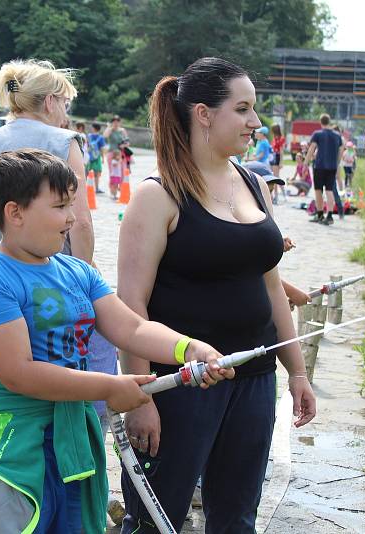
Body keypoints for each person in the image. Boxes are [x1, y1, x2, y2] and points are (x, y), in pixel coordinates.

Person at [0, 149, 230, 533]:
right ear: (15, 213)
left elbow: (131, 329)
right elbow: (20, 375)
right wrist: (108, 387)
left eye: (73, 204)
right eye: (60, 206)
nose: (72, 217)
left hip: (72, 437)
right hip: (12, 443)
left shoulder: (78, 272)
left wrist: (189, 347)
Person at [117, 57, 316, 533]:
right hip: (179, 385)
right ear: (204, 114)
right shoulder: (157, 195)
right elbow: (130, 307)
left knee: (236, 518)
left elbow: (269, 285)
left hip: (254, 378)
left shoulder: (252, 183)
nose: (256, 122)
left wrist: (298, 372)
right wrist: (139, 397)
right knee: (155, 519)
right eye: (243, 109)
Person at [0, 59, 94, 264]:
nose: (65, 112)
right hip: (47, 264)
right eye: (65, 103)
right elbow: (80, 221)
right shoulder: (64, 142)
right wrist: (85, 275)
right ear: (49, 102)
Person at [306, 114, 344, 225]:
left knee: (318, 190)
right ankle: (330, 216)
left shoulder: (317, 134)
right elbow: (341, 149)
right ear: (329, 121)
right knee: (329, 190)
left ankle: (320, 214)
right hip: (332, 166)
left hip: (319, 166)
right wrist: (337, 162)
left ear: (321, 122)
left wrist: (306, 162)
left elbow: (312, 149)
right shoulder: (337, 135)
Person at [104, 115, 129, 179]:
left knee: (122, 171)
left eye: (117, 121)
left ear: (119, 122)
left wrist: (123, 145)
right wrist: (108, 127)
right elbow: (105, 136)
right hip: (111, 153)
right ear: (112, 122)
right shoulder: (110, 130)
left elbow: (127, 142)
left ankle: (121, 187)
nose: (116, 123)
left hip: (121, 153)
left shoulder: (122, 130)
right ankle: (113, 187)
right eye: (114, 122)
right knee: (112, 172)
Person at [87, 123, 108, 193]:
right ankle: (97, 188)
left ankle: (85, 187)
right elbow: (102, 149)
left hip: (89, 156)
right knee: (97, 174)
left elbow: (86, 146)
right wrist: (103, 158)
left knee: (86, 173)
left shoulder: (89, 136)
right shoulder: (101, 137)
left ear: (94, 128)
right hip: (97, 157)